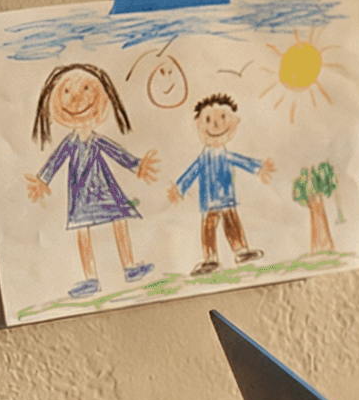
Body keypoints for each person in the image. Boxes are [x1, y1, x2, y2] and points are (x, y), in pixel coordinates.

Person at [24, 62, 159, 299]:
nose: (76, 98)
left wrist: (137, 165)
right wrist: (42, 180)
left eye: (86, 90)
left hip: (104, 188)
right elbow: (55, 161)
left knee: (119, 220)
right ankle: (91, 279)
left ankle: (130, 268)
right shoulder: (70, 142)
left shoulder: (97, 140)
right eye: (67, 92)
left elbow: (118, 154)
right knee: (82, 230)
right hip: (81, 191)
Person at [168, 93, 277, 275]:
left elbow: (241, 160)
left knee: (232, 223)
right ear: (199, 126)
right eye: (209, 119)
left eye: (223, 118)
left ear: (234, 122)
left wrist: (258, 168)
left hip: (227, 198)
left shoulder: (226, 155)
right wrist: (180, 188)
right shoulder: (203, 158)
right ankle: (210, 259)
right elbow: (192, 172)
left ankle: (241, 251)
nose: (216, 125)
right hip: (209, 200)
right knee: (208, 229)